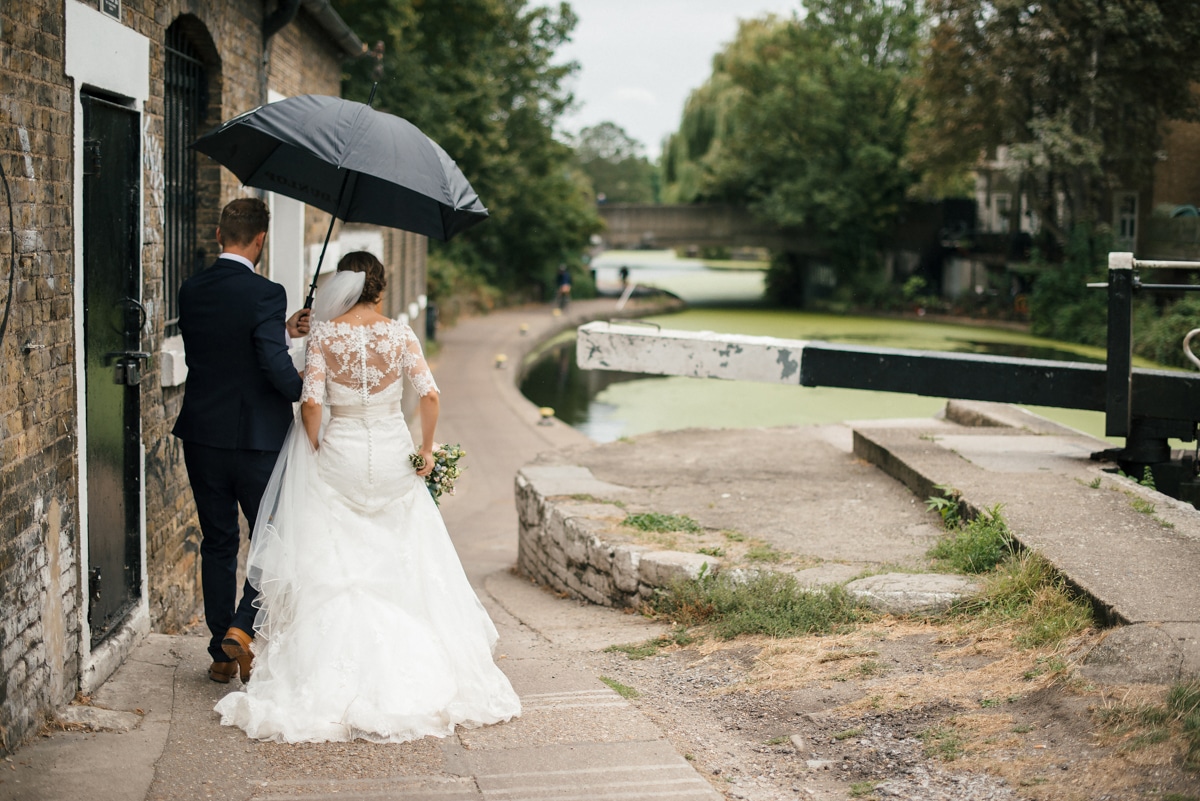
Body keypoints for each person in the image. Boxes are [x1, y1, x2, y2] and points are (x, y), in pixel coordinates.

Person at [214, 252, 521, 743]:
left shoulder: (326, 335)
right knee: (404, 557)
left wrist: (315, 444)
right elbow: (430, 395)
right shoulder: (399, 334)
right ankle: (422, 673)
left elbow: (311, 402)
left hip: (343, 452)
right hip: (392, 454)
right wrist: (424, 450)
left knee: (337, 558)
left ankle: (328, 674)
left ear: (345, 289)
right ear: (379, 291)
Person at [172, 197, 310, 685]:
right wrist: (304, 389)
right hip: (258, 439)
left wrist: (280, 330)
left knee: (218, 541)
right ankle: (243, 626)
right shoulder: (267, 293)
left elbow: (223, 349)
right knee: (272, 538)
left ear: (218, 236)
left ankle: (220, 653)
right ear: (260, 241)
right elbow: (271, 366)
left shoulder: (191, 290)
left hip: (203, 435)